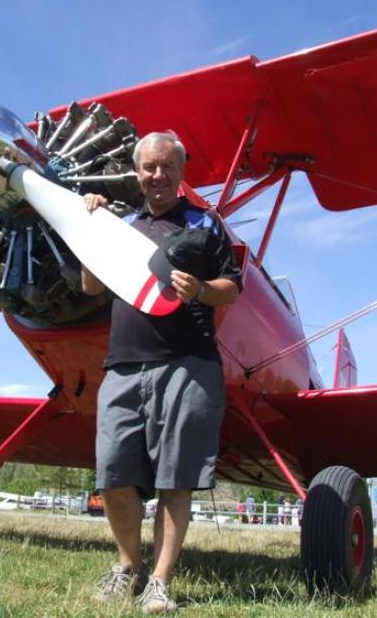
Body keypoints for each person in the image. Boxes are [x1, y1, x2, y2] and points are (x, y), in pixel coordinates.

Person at [81, 131, 243, 614]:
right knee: (112, 471)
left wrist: (199, 290)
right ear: (137, 173)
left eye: (167, 166)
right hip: (124, 363)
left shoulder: (203, 222)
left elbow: (231, 288)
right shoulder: (121, 224)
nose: (158, 175)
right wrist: (90, 226)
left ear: (180, 171)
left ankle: (159, 580)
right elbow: (91, 285)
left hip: (187, 363)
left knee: (177, 477)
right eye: (149, 167)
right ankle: (127, 566)